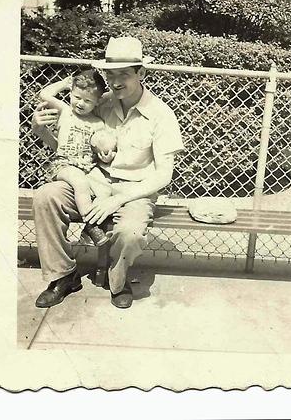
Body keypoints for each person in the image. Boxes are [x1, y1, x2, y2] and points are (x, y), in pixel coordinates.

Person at [31, 37, 184, 309]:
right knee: (46, 196)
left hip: (135, 191)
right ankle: (63, 276)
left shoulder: (161, 114)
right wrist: (41, 130)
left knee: (130, 232)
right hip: (91, 181)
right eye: (110, 74)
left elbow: (163, 176)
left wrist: (117, 200)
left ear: (142, 73)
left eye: (124, 74)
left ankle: (118, 280)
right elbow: (66, 150)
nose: (115, 82)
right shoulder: (99, 103)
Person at [39, 70, 116, 247]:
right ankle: (91, 224)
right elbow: (44, 94)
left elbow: (99, 151)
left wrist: (106, 156)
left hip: (88, 167)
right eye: (76, 97)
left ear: (97, 101)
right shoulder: (66, 112)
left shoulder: (98, 123)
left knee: (104, 189)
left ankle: (89, 231)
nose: (80, 103)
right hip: (64, 164)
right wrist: (64, 84)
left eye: (88, 100)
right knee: (80, 183)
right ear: (71, 93)